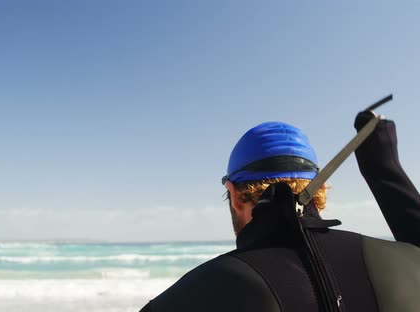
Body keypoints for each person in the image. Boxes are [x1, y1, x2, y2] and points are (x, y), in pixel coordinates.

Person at [140, 111, 420, 312]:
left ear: (234, 193)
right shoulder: (407, 266)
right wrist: (384, 166)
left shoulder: (196, 294)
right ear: (320, 189)